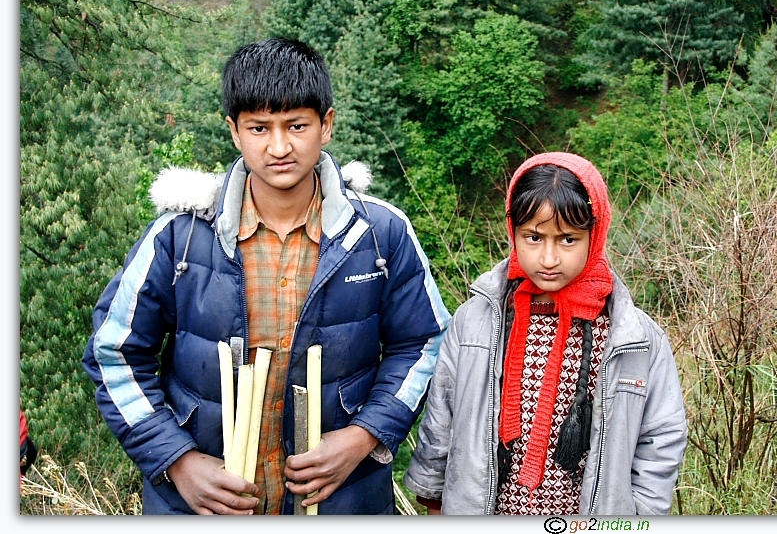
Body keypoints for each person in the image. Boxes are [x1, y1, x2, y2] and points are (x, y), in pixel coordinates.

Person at [82, 37, 450, 515]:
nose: (279, 146)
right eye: (259, 127)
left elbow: (425, 343)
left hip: (342, 501)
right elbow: (114, 352)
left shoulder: (380, 234)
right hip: (199, 506)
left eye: (297, 125)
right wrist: (176, 460)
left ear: (327, 125)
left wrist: (364, 437)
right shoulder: (180, 237)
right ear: (235, 132)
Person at [404, 152, 687, 515]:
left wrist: (639, 518)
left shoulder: (633, 338)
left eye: (568, 239)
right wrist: (434, 497)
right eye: (533, 237)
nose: (549, 258)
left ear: (594, 234)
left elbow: (660, 439)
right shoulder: (477, 322)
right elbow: (442, 415)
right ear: (513, 231)